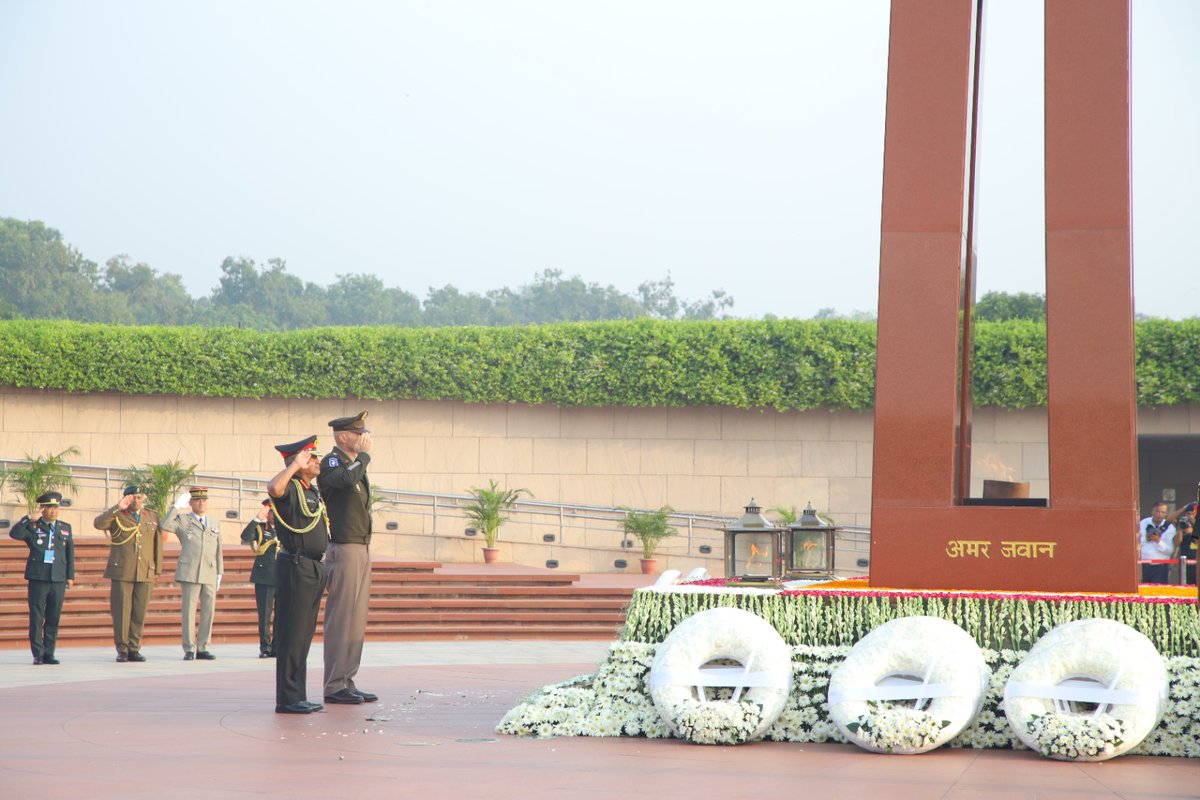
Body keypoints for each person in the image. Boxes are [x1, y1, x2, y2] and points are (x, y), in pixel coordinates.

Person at [319, 410, 378, 705]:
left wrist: (360, 460)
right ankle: (334, 684)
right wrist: (364, 457)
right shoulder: (332, 461)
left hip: (360, 546)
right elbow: (344, 480)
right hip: (344, 548)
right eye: (358, 433)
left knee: (356, 620)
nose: (363, 437)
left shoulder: (352, 465)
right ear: (343, 437)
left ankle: (347, 680)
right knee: (341, 618)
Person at [268, 435, 329, 714]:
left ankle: (298, 695)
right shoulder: (291, 486)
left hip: (312, 566)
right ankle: (287, 699)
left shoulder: (310, 490)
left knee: (303, 634)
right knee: (292, 634)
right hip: (296, 565)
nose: (317, 461)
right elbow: (273, 488)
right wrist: (293, 466)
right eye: (311, 457)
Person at [95, 484, 162, 662]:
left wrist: (157, 568)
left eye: (139, 497)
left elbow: (157, 544)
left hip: (145, 570)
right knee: (122, 612)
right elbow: (99, 524)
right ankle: (122, 649)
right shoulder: (118, 514)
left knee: (140, 612)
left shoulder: (151, 516)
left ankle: (134, 648)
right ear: (126, 498)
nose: (136, 501)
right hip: (122, 570)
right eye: (133, 497)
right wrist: (117, 508)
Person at [9, 491, 75, 664]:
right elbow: (14, 534)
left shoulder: (65, 527)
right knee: (37, 617)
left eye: (56, 508)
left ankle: (49, 653)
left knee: (53, 617)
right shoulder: (33, 526)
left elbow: (70, 554)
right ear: (42, 509)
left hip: (58, 578)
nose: (54, 511)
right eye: (50, 508)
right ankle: (38, 654)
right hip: (38, 577)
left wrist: (70, 576)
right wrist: (28, 518)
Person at [160, 486, 223, 660]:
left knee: (208, 611)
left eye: (204, 500)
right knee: (189, 611)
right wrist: (175, 507)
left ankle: (203, 647)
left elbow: (218, 548)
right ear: (191, 503)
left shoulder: (214, 522)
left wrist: (220, 571)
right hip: (190, 571)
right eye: (197, 500)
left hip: (210, 570)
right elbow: (164, 525)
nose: (201, 503)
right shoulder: (183, 520)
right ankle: (189, 647)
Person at [241, 498, 279, 658]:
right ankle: (265, 647)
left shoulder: (287, 529)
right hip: (264, 577)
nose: (275, 515)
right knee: (264, 614)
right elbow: (245, 536)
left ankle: (277, 646)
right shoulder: (260, 528)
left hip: (283, 577)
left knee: (281, 615)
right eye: (272, 512)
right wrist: (257, 518)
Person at [1138, 501, 1176, 584]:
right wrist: (1147, 538)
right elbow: (1136, 543)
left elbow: (1169, 550)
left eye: (1163, 512)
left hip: (1160, 567)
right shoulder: (1143, 523)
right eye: (1157, 511)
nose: (1160, 514)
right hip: (1143, 565)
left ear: (1166, 514)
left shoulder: (1169, 527)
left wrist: (1158, 541)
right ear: (1152, 511)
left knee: (1159, 590)